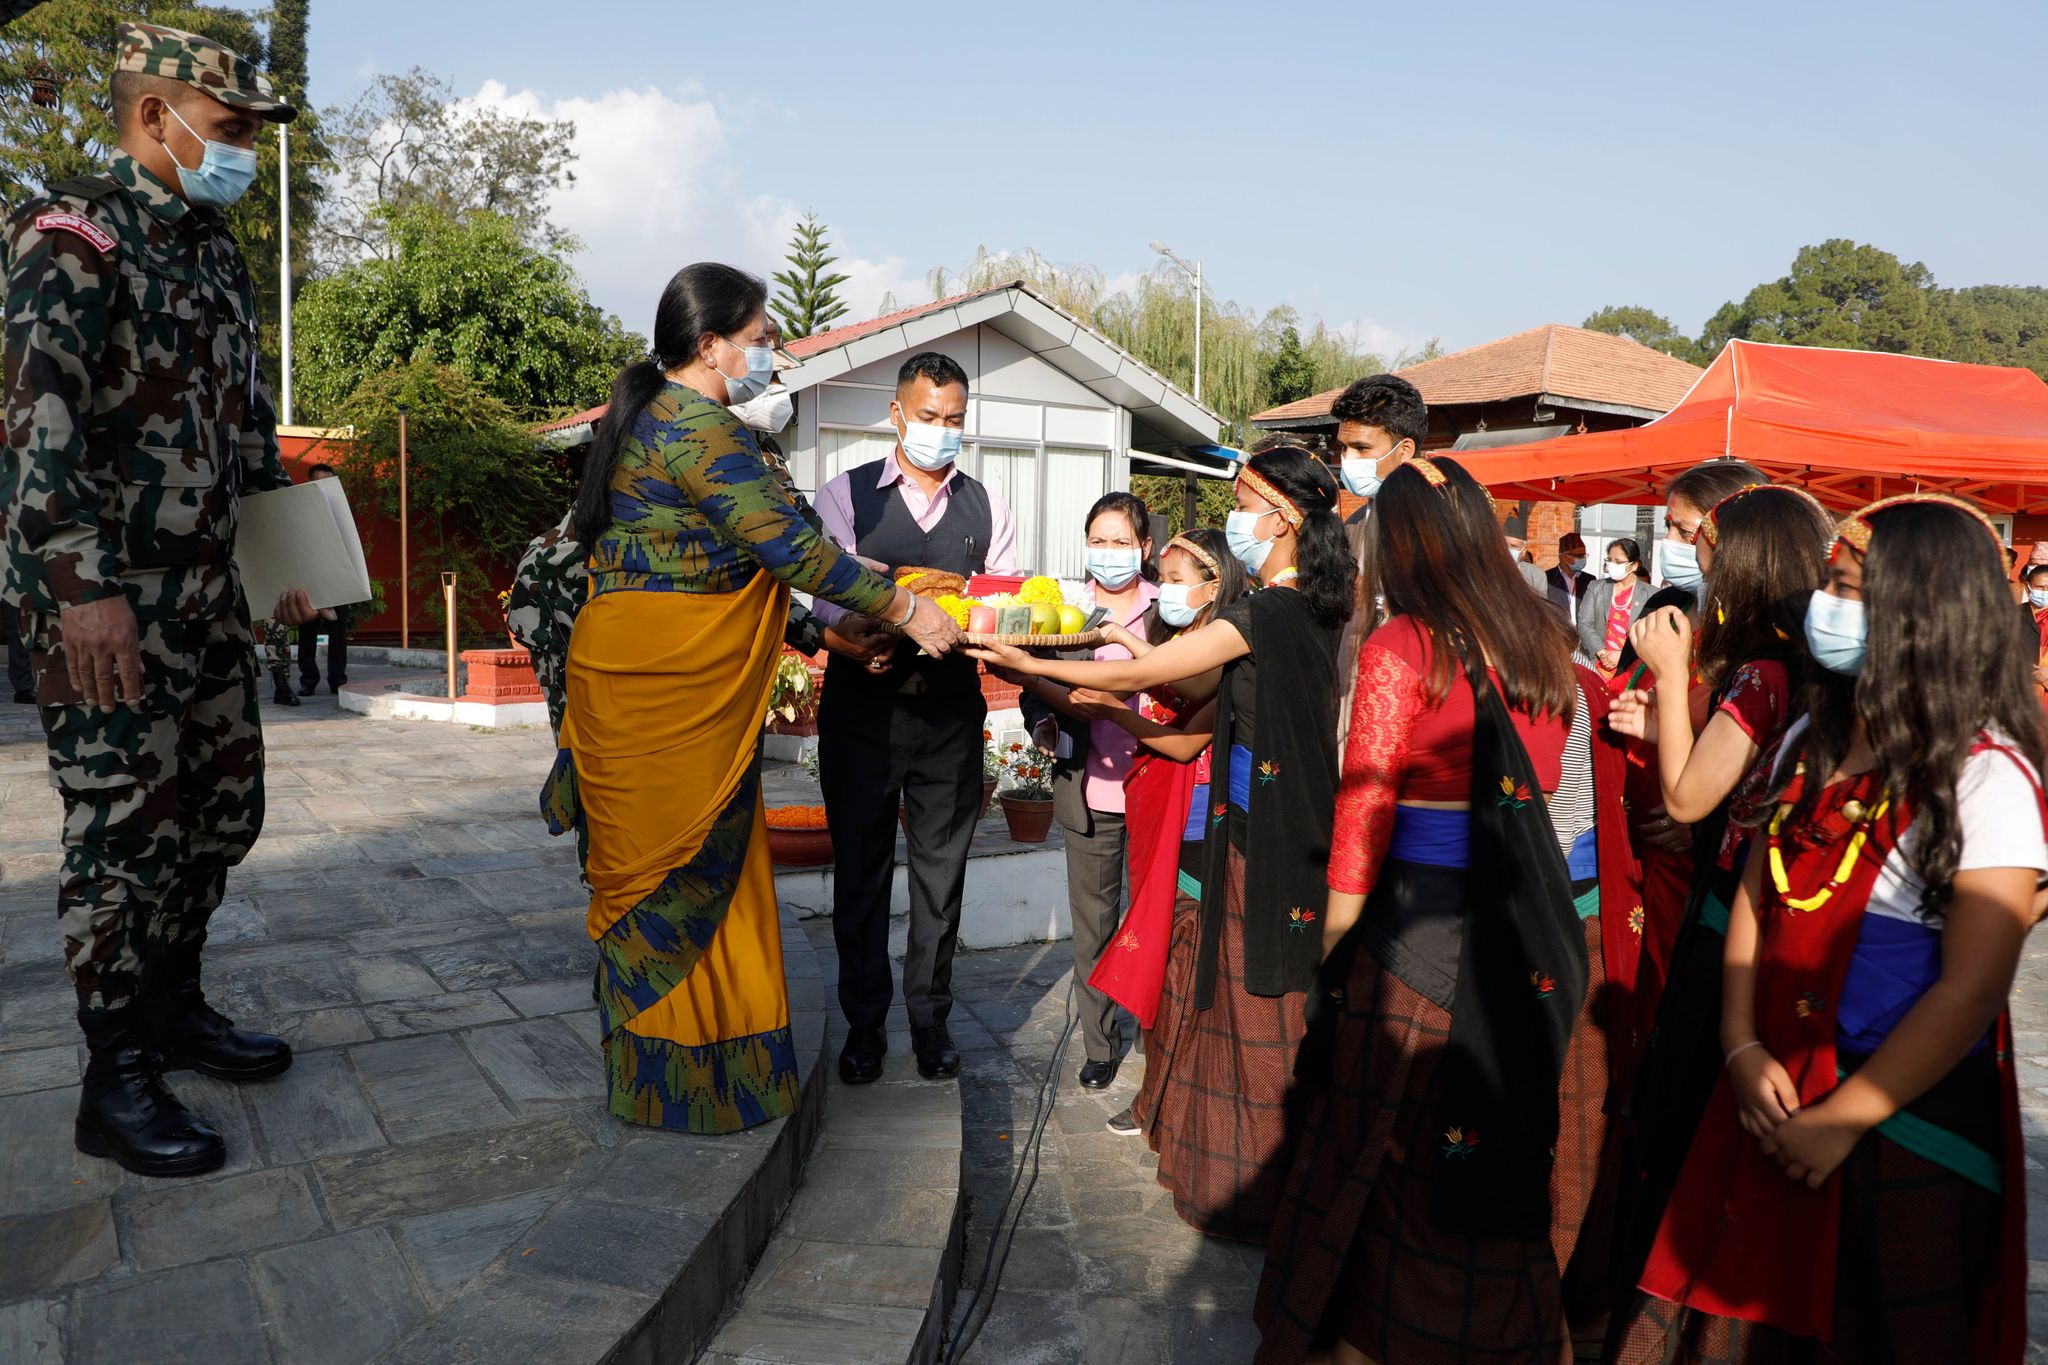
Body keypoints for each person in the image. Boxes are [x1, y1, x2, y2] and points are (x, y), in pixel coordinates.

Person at [1613, 494, 2043, 1363]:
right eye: (1831, 586)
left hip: (1898, 1118)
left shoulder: (1989, 778)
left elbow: (1971, 990)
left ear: (1918, 615)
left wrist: (1844, 1117)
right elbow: (1755, 898)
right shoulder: (1812, 732)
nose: (1826, 607)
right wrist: (1737, 1045)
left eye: (1848, 590)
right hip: (1769, 1092)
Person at [0, 25, 319, 1177]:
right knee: (124, 839)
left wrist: (287, 559)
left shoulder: (213, 250)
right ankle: (113, 1074)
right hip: (108, 607)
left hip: (208, 597)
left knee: (220, 819)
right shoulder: (72, 241)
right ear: (154, 117)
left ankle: (175, 1008)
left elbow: (242, 427)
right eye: (227, 130)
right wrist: (83, 594)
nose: (238, 155)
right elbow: (38, 427)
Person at [560, 263, 958, 1134]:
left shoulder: (655, 420)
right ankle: (689, 1085)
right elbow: (792, 551)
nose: (774, 354)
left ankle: (688, 1075)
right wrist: (905, 609)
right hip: (663, 694)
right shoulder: (698, 429)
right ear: (712, 346)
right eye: (763, 340)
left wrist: (824, 635)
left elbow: (715, 566)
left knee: (704, 874)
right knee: (676, 880)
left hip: (662, 683)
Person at [972, 447, 1353, 1239]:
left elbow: (1167, 674)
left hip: (1265, 833)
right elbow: (1181, 684)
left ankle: (1255, 1178)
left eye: (1246, 497)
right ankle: (1221, 1156)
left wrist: (1020, 657)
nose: (1237, 514)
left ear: (1282, 516)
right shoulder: (1307, 606)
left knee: (1256, 1013)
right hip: (1266, 823)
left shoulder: (1268, 612)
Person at [1254, 456, 1585, 1364]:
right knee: (1485, 1149)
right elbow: (1550, 785)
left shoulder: (1402, 648)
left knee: (1383, 1162)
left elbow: (1365, 812)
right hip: (1517, 934)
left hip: (1418, 938)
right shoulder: (1543, 636)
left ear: (1397, 543)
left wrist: (1334, 944)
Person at [1601, 483, 1833, 1311]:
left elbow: (1690, 798)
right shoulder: (1808, 666)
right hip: (1767, 917)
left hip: (1725, 917)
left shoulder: (1760, 672)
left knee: (1684, 1115)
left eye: (1703, 543)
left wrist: (1667, 679)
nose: (1694, 557)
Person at [811, 351, 1018, 1084]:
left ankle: (931, 1022)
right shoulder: (846, 495)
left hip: (950, 718)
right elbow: (823, 599)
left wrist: (977, 616)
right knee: (861, 877)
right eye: (929, 416)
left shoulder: (988, 505)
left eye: (955, 419)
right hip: (861, 711)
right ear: (897, 414)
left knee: (941, 878)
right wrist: (874, 618)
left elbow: (997, 607)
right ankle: (864, 1026)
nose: (942, 430)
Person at [1069, 528, 1247, 1135]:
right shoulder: (1170, 639)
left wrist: (1116, 698)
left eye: (1174, 582)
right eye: (1163, 578)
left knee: (1182, 963)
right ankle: (1163, 1089)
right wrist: (1018, 666)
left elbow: (1185, 739)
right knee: (1162, 957)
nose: (1162, 592)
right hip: (1153, 809)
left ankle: (1171, 1094)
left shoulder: (1218, 648)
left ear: (1213, 584)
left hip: (1195, 821)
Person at [1013, 492, 1159, 1089]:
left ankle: (1159, 1033)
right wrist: (1043, 723)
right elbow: (1032, 681)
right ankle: (1101, 1044)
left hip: (1154, 788)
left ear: (1144, 547)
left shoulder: (1168, 607)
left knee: (1155, 922)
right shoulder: (1066, 611)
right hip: (1088, 790)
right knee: (1094, 926)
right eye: (1098, 540)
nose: (1108, 553)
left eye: (1121, 541)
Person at [1330, 372, 1427, 522]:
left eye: (1361, 448)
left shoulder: (1441, 523)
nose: (1347, 458)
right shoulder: (1353, 525)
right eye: (1343, 447)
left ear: (1405, 451)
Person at [294, 462, 351, 695]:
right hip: (309, 584)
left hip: (336, 582)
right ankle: (309, 682)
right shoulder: (300, 511)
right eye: (319, 482)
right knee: (307, 635)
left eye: (328, 482)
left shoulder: (341, 511)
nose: (323, 486)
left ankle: (337, 681)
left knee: (338, 634)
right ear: (310, 483)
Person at [1578, 536, 1650, 675]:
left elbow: (1650, 635)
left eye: (1618, 561)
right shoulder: (1596, 587)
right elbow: (1584, 623)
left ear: (1634, 565)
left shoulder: (1650, 594)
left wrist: (1622, 656)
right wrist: (1602, 652)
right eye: (1610, 560)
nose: (1612, 565)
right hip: (1597, 664)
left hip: (1631, 668)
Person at [1547, 531, 1593, 625]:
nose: (1583, 558)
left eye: (1584, 555)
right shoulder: (1547, 579)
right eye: (1579, 555)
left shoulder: (1590, 581)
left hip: (1583, 636)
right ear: (1564, 557)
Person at [2027, 561, 2048, 697]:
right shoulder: (2010, 616)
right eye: (2040, 587)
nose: (2045, 592)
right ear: (2028, 587)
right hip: (2022, 694)